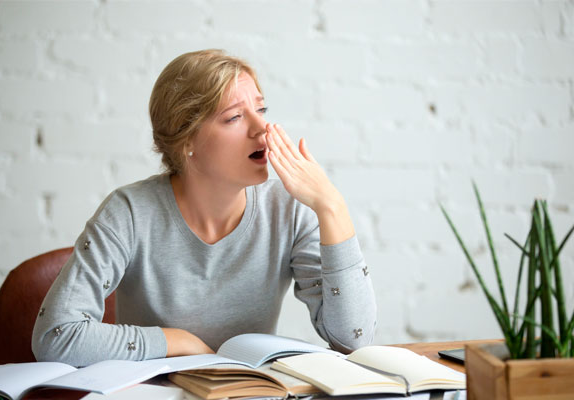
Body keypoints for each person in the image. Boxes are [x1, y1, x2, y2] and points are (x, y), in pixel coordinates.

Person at [32, 49, 377, 367]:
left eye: (261, 110)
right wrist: (174, 341)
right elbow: (55, 336)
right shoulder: (129, 212)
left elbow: (353, 339)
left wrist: (332, 207)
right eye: (234, 118)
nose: (262, 130)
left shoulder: (288, 210)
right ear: (187, 142)